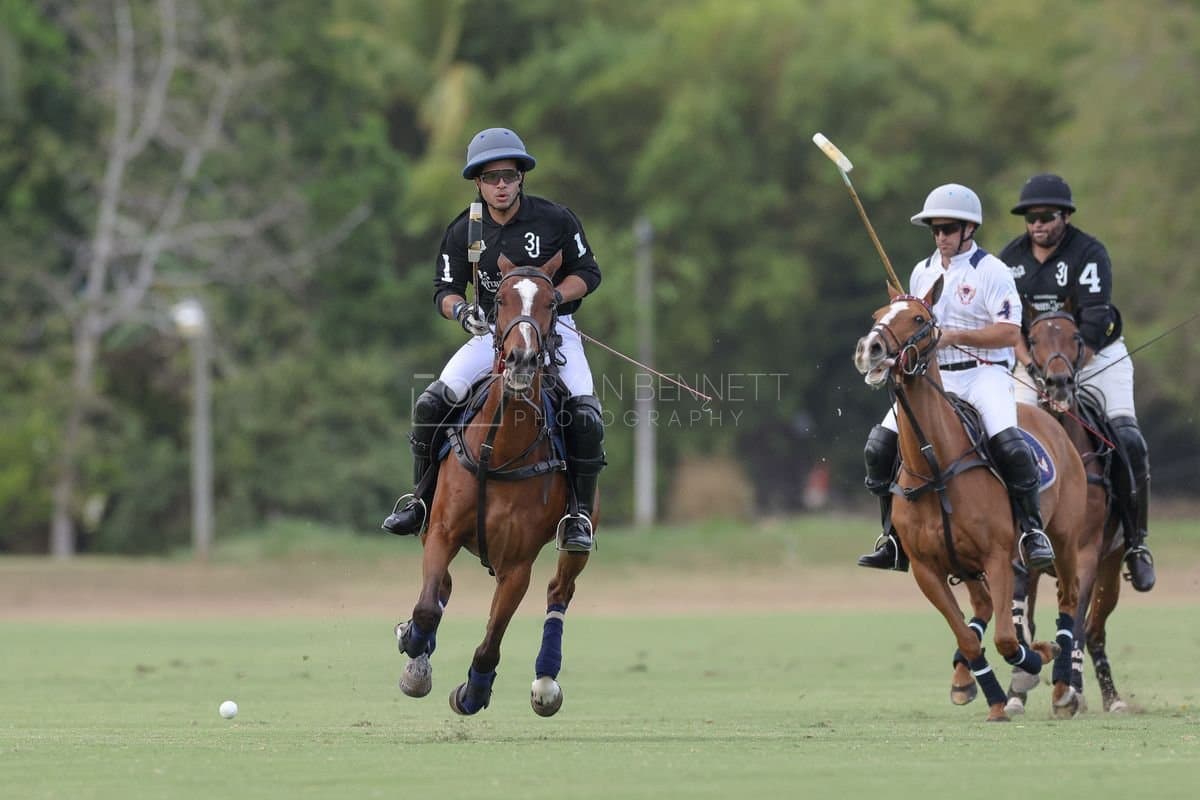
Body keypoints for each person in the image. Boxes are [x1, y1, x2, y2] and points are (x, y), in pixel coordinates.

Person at [381, 127, 605, 552]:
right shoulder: (465, 230)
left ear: (521, 176)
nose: (500, 185)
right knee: (431, 402)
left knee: (586, 415)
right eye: (490, 177)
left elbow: (589, 273)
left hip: (555, 333)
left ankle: (577, 515)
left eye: (508, 175)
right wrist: (462, 311)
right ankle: (420, 500)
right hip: (492, 335)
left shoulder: (555, 219)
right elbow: (443, 290)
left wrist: (554, 297)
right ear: (478, 182)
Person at [858, 183, 1056, 573]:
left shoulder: (992, 271)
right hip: (934, 379)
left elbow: (1009, 333)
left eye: (948, 228)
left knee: (1011, 446)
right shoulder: (922, 272)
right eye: (935, 229)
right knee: (878, 447)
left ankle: (1032, 532)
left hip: (985, 375)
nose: (941, 237)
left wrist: (954, 335)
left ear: (969, 229)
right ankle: (893, 537)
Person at [1000, 174, 1155, 592]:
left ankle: (1137, 543)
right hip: (1034, 361)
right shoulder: (1010, 259)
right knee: (1007, 440)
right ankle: (1009, 536)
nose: (1037, 224)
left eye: (1047, 216)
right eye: (1030, 217)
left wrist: (1065, 374)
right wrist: (1032, 366)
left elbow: (1094, 321)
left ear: (1065, 216)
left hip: (1094, 356)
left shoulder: (1089, 253)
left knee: (1130, 439)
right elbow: (1008, 323)